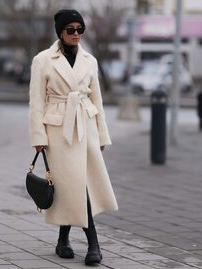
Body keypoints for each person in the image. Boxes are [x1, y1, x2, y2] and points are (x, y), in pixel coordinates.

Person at [29, 9, 118, 265]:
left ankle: (62, 241)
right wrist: (38, 136)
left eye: (80, 29)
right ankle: (93, 244)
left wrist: (102, 135)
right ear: (60, 31)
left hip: (86, 126)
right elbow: (36, 102)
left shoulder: (90, 60)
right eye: (71, 29)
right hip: (58, 131)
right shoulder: (43, 60)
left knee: (79, 185)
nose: (76, 34)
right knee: (73, 186)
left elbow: (97, 100)